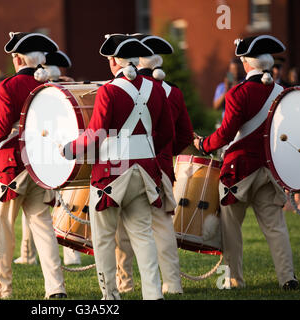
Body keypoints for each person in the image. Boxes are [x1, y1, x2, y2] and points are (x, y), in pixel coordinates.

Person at [62, 34, 174, 300]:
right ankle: (153, 294)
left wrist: (69, 149)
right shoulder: (156, 88)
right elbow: (166, 133)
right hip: (146, 172)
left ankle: (110, 296)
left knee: (103, 239)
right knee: (143, 235)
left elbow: (96, 134)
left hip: (111, 175)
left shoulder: (109, 90)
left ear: (113, 61)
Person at [0, 32, 67, 299]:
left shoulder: (9, 86)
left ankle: (3, 290)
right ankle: (56, 289)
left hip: (12, 166)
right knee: (44, 229)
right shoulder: (53, 86)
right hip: (41, 166)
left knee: (4, 232)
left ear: (18, 58)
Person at [194, 35, 298, 290]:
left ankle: (233, 280)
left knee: (231, 229)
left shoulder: (238, 93)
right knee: (276, 228)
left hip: (238, 172)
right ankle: (288, 278)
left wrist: (202, 144)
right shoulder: (282, 93)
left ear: (247, 64)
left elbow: (226, 135)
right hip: (269, 168)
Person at [112, 34, 194, 295]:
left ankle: (124, 284)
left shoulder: (119, 87)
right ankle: (172, 283)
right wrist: (162, 153)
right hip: (159, 167)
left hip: (123, 167)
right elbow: (183, 135)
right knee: (162, 225)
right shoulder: (172, 91)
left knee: (122, 229)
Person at [15, 50, 80, 266]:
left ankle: (28, 254)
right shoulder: (65, 90)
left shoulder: (43, 91)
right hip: (60, 152)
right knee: (63, 205)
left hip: (45, 153)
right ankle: (71, 253)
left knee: (38, 210)